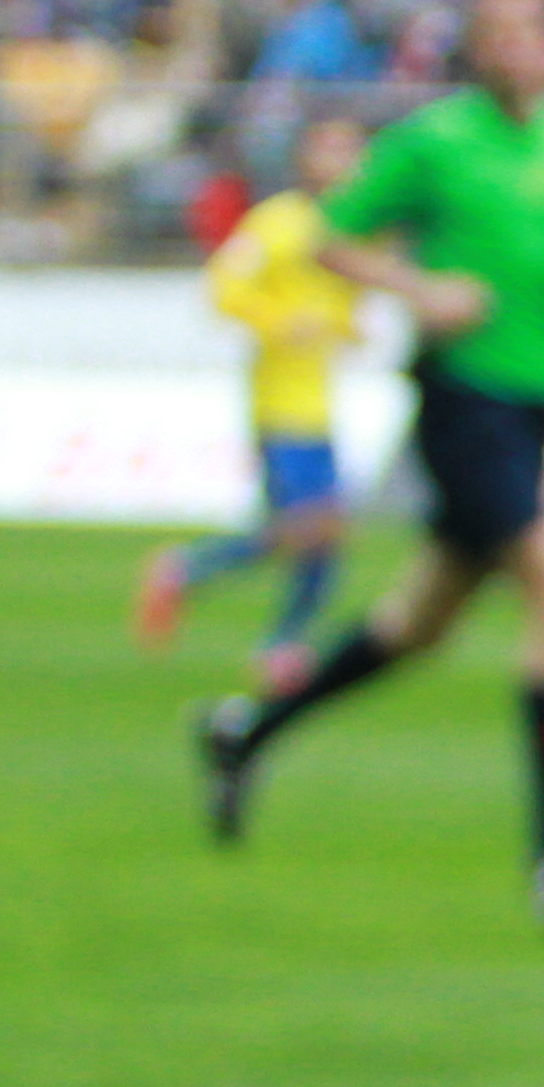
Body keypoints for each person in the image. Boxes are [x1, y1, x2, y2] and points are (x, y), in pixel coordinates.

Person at [195, 0, 544, 935]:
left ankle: (245, 735)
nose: (519, 50)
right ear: (478, 51)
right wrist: (416, 287)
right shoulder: (436, 142)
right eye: (500, 34)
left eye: (534, 32)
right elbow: (329, 238)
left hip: (531, 403)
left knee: (419, 624)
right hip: (461, 401)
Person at [137, 117, 370, 691]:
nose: (342, 160)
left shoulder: (354, 226)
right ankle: (277, 640)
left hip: (319, 399)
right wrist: (280, 323)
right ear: (305, 158)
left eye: (350, 148)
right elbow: (223, 285)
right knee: (319, 523)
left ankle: (194, 578)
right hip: (280, 400)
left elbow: (343, 303)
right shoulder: (277, 222)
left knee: (305, 527)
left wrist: (344, 327)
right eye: (330, 146)